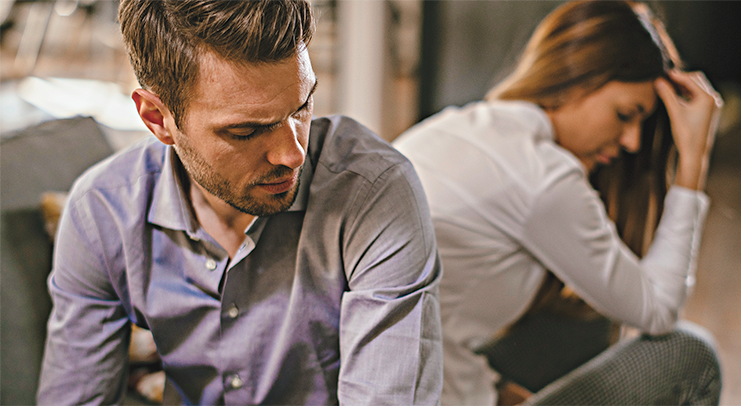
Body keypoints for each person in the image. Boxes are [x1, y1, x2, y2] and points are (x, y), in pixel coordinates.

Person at [37, 0, 442, 404]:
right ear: (158, 119)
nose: (292, 154)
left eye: (301, 107)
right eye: (246, 131)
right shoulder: (102, 213)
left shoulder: (372, 191)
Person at [394, 0, 723, 405]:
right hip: (428, 394)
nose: (632, 141)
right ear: (578, 80)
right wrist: (694, 161)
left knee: (586, 316)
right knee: (690, 354)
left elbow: (435, 321)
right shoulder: (543, 179)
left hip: (405, 379)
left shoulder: (453, 126)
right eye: (625, 115)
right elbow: (658, 309)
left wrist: (497, 391)